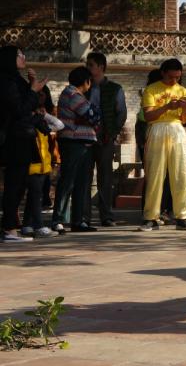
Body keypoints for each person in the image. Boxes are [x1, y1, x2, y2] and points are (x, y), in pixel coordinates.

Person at [138, 58, 186, 231]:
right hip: (157, 130)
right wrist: (167, 106)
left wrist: (184, 109)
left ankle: (183, 216)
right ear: (163, 73)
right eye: (171, 77)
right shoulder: (152, 89)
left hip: (177, 130)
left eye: (177, 77)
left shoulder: (184, 91)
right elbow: (148, 117)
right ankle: (151, 217)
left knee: (181, 173)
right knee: (155, 174)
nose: (174, 81)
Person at [0, 46, 47, 242]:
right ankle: (9, 229)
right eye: (20, 55)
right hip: (13, 139)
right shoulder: (6, 81)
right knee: (14, 184)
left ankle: (11, 227)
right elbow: (19, 109)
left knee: (19, 185)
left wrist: (32, 86)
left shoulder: (15, 80)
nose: (24, 58)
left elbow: (29, 105)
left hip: (22, 138)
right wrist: (33, 91)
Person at [52, 66, 102, 233]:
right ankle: (58, 219)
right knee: (68, 181)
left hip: (83, 142)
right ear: (86, 81)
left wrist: (90, 117)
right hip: (74, 142)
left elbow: (92, 117)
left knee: (81, 182)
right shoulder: (73, 94)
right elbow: (93, 116)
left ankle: (78, 221)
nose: (90, 85)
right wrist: (91, 116)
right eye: (90, 82)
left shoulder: (76, 95)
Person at [85, 52, 127, 227]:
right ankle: (83, 216)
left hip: (105, 138)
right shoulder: (83, 87)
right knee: (85, 178)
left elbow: (121, 113)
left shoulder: (115, 88)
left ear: (101, 67)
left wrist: (113, 132)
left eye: (91, 65)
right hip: (85, 138)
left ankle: (106, 215)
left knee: (106, 178)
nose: (88, 68)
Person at [23, 87, 64, 238]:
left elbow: (59, 125)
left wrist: (45, 114)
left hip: (43, 164)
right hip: (31, 163)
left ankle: (27, 225)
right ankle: (38, 226)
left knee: (34, 195)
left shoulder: (42, 120)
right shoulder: (25, 117)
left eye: (42, 94)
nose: (40, 98)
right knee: (36, 195)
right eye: (37, 95)